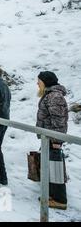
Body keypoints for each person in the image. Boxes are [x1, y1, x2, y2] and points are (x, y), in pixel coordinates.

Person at [36, 71, 69, 210]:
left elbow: (59, 121)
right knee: (50, 165)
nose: (37, 83)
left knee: (56, 168)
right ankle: (52, 194)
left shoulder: (54, 96)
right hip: (47, 137)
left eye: (39, 81)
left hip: (52, 138)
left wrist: (56, 139)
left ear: (46, 82)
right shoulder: (51, 95)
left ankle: (60, 200)